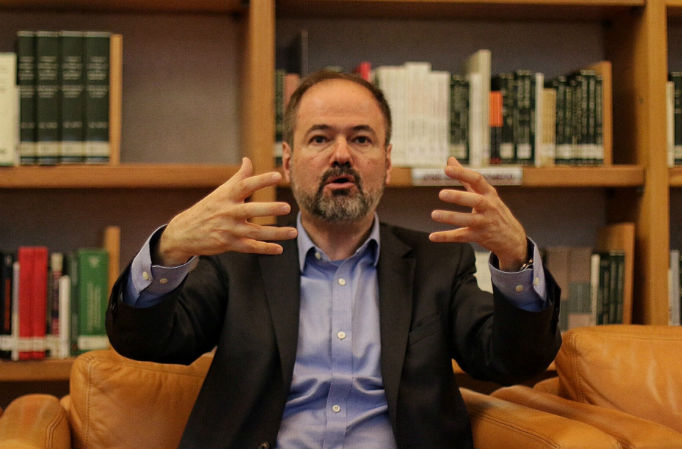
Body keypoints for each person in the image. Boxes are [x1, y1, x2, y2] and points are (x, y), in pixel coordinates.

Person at [106, 70, 561, 449]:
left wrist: (515, 256)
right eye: (320, 138)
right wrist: (170, 247)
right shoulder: (240, 259)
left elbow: (511, 361)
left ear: (386, 162)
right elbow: (146, 342)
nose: (341, 155)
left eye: (361, 139)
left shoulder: (437, 262)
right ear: (288, 161)